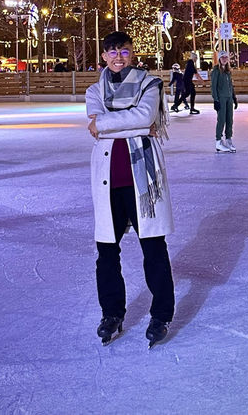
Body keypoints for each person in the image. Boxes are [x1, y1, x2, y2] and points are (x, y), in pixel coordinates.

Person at [85, 30, 174, 348]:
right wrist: (136, 125)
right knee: (106, 252)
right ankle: (112, 313)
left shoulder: (151, 84)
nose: (118, 57)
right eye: (112, 52)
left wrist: (106, 124)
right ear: (104, 56)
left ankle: (161, 313)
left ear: (132, 53)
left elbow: (147, 115)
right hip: (109, 180)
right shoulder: (94, 90)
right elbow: (134, 121)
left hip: (143, 181)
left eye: (124, 51)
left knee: (153, 249)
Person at [211, 50, 238, 152]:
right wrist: (216, 100)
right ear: (219, 59)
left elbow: (231, 86)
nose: (224, 59)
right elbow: (213, 87)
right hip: (221, 99)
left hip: (229, 98)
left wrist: (234, 98)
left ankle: (228, 139)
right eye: (222, 57)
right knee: (221, 120)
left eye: (226, 57)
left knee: (229, 120)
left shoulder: (228, 72)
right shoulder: (216, 71)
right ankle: (218, 141)